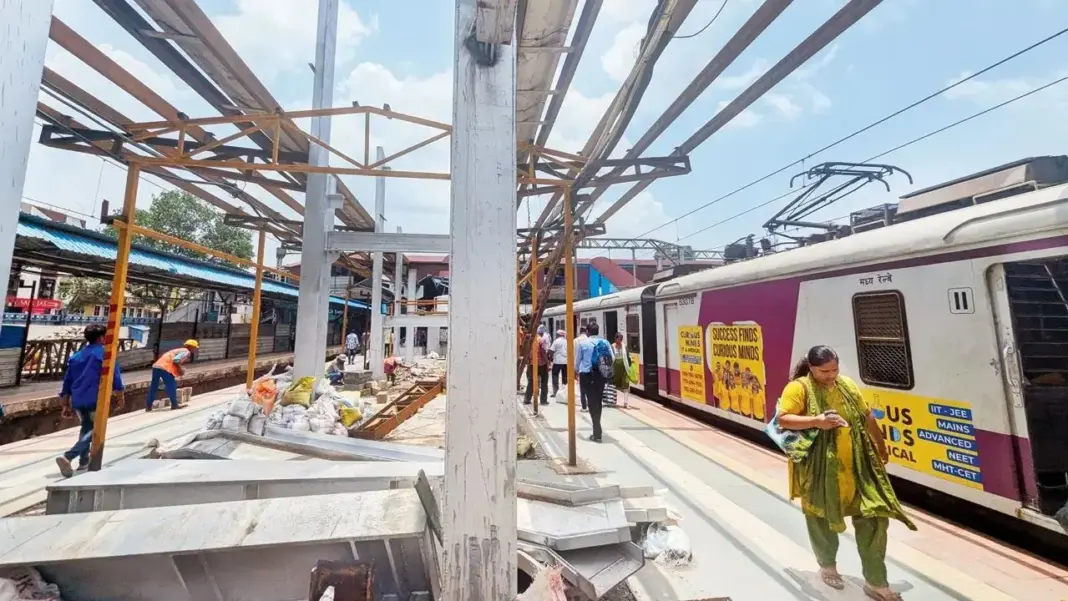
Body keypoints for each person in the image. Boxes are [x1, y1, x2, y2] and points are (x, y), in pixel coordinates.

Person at [775, 345, 914, 601]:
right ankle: (827, 565)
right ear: (812, 367)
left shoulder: (846, 385)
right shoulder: (798, 388)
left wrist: (881, 445)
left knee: (874, 517)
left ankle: (876, 581)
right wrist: (816, 421)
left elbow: (867, 415)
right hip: (820, 469)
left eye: (835, 369)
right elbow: (783, 419)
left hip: (858, 466)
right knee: (821, 516)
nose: (831, 375)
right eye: (824, 371)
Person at [56, 325, 124, 478]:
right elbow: (116, 378)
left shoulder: (76, 357)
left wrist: (65, 404)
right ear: (101, 338)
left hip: (78, 399)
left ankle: (84, 461)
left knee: (86, 427)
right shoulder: (106, 354)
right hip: (97, 398)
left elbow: (67, 381)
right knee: (95, 429)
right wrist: (120, 398)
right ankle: (68, 456)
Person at [575, 323, 611, 442]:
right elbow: (612, 358)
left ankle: (597, 430)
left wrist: (575, 372)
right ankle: (597, 428)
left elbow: (578, 360)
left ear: (587, 332)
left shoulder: (583, 343)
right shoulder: (605, 342)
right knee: (598, 400)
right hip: (600, 374)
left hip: (587, 374)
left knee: (591, 401)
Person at [146, 339, 198, 411]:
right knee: (171, 385)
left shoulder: (177, 350)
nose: (195, 350)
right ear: (192, 347)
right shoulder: (186, 351)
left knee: (153, 387)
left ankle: (148, 406)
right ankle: (174, 405)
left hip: (156, 366)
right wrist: (180, 370)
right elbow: (176, 360)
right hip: (165, 368)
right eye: (195, 348)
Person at [524, 325, 551, 406]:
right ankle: (543, 400)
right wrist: (548, 362)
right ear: (542, 333)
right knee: (544, 382)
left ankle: (527, 399)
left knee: (531, 382)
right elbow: (543, 352)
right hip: (542, 364)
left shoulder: (531, 340)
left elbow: (527, 351)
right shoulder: (541, 340)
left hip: (532, 364)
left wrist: (529, 360)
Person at [611, 333, 631, 409]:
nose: (619, 341)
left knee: (626, 385)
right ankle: (613, 402)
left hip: (624, 368)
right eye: (618, 339)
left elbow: (628, 357)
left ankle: (626, 403)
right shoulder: (612, 346)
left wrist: (629, 367)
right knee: (614, 385)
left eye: (621, 339)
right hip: (615, 368)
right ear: (615, 339)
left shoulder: (624, 346)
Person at [574, 326, 589, 411]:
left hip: (581, 368)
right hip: (590, 368)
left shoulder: (576, 341)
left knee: (582, 389)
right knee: (590, 389)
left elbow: (576, 356)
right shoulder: (590, 340)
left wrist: (575, 369)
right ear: (586, 331)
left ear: (579, 331)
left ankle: (584, 407)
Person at [549, 329, 568, 396]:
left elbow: (551, 351)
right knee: (565, 377)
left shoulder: (556, 341)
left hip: (557, 361)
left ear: (558, 335)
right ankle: (565, 392)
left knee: (555, 377)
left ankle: (556, 392)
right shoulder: (567, 341)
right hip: (566, 362)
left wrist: (549, 359)